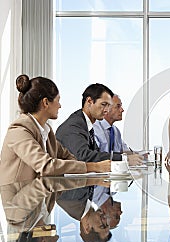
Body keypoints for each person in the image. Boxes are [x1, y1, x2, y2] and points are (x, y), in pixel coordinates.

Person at [0, 75, 110, 231]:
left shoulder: (46, 131)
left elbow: (70, 158)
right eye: (57, 100)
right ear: (46, 103)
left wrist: (78, 167)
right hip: (17, 193)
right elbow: (46, 166)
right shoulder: (19, 130)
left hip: (41, 191)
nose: (60, 105)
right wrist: (95, 167)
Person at [56, 83, 142, 165]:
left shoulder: (87, 124)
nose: (106, 110)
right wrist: (123, 159)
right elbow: (83, 156)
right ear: (89, 101)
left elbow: (96, 154)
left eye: (109, 106)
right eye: (103, 104)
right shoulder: (75, 125)